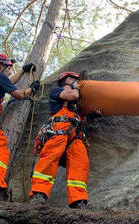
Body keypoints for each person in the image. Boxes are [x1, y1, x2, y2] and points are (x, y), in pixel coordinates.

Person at [29, 71, 90, 209]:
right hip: (58, 132)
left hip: (76, 136)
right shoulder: (57, 91)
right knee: (48, 160)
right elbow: (72, 95)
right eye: (75, 80)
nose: (78, 83)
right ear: (68, 80)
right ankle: (38, 193)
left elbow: (82, 122)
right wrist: (77, 88)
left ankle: (78, 200)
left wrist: (91, 117)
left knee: (80, 165)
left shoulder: (76, 105)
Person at [0, 52, 40, 201]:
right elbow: (18, 94)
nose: (10, 72)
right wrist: (31, 89)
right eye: (8, 68)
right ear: (0, 67)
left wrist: (22, 70)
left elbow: (8, 81)